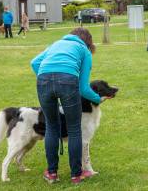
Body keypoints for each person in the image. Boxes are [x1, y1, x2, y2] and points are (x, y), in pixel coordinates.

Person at [30, 27, 106, 184]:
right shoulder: (84, 51)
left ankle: (51, 174)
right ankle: (76, 175)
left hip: (43, 81)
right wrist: (97, 99)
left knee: (51, 126)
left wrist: (48, 79)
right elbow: (84, 88)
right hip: (68, 81)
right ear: (88, 42)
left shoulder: (56, 44)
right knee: (74, 128)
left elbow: (34, 62)